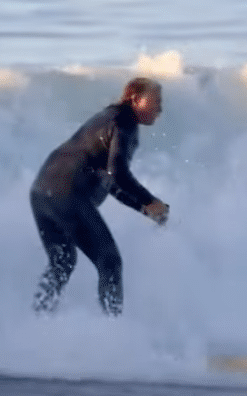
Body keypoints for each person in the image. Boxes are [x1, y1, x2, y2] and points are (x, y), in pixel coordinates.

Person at [29, 77, 169, 316]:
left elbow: (112, 181)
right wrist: (149, 200)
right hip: (67, 193)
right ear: (135, 99)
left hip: (42, 192)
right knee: (110, 262)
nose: (160, 108)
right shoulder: (123, 123)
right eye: (155, 101)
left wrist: (146, 209)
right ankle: (113, 329)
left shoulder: (108, 120)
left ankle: (37, 317)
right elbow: (120, 174)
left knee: (62, 264)